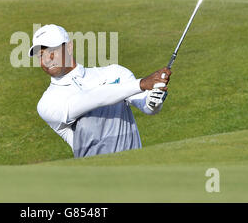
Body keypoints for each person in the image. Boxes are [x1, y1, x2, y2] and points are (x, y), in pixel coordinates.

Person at [28, 24, 171, 158]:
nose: (47, 59)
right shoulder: (47, 103)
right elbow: (90, 99)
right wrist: (141, 84)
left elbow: (148, 108)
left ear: (69, 47)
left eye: (52, 51)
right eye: (41, 55)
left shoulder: (115, 73)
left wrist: (154, 99)